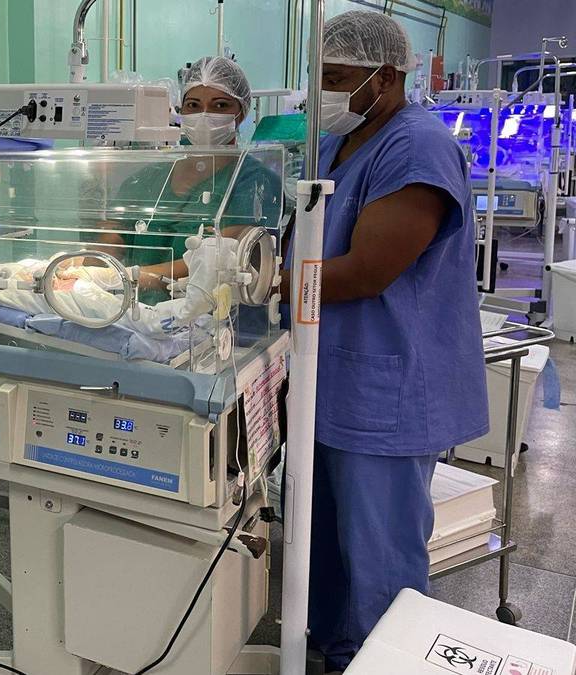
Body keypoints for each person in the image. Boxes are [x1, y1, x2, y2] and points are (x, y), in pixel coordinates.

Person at [286, 10, 489, 671]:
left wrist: (259, 282)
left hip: (387, 387)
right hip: (330, 378)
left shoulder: (416, 147)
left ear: (387, 76)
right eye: (319, 76)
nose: (325, 90)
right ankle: (337, 651)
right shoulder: (336, 142)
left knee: (381, 557)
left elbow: (368, 271)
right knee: (321, 546)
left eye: (338, 76)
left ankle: (388, 660)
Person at [100, 56, 285, 303]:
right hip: (138, 313)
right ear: (182, 109)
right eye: (193, 105)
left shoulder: (255, 182)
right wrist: (89, 271)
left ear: (241, 113)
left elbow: (219, 262)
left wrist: (124, 278)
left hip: (215, 318)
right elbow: (114, 233)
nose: (204, 115)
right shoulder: (151, 176)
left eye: (220, 105)